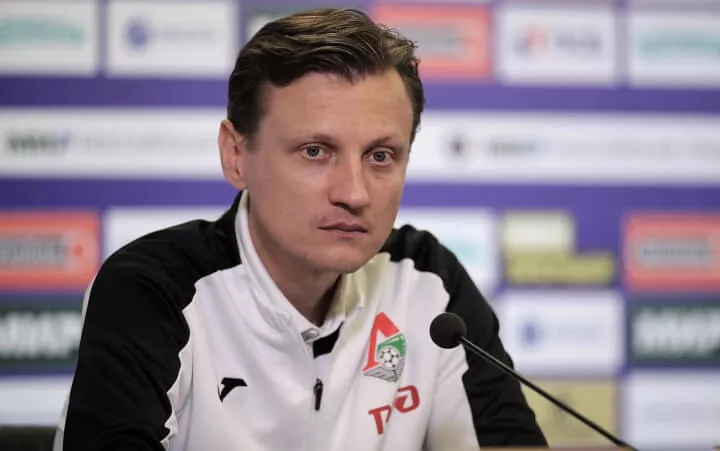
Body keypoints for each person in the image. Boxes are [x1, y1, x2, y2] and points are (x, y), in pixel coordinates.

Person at [53, 8, 547, 451]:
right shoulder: (154, 289)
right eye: (315, 151)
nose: (354, 193)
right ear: (236, 155)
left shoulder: (428, 282)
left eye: (380, 156)